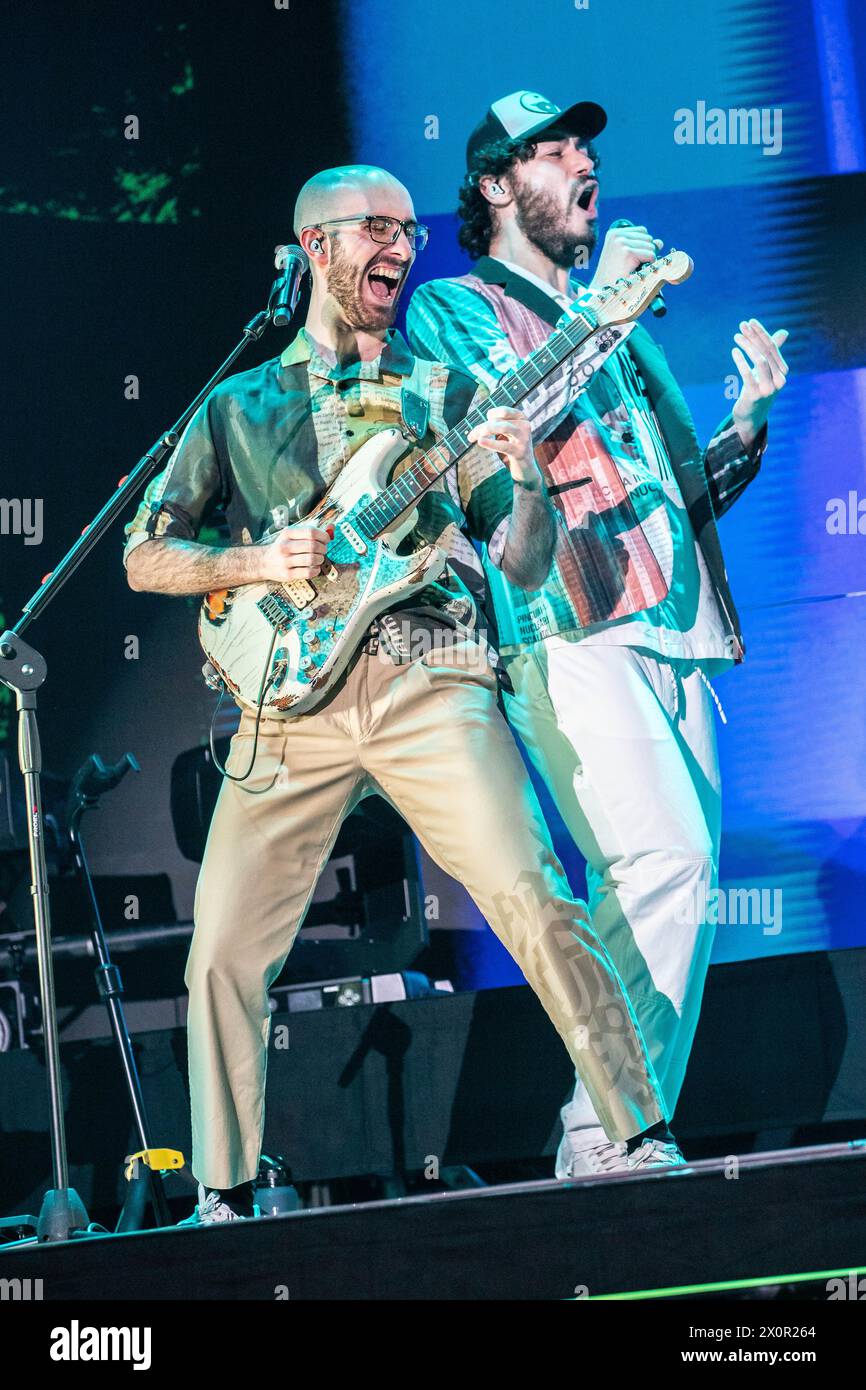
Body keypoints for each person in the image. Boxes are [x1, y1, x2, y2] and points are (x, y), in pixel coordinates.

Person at [124, 163, 673, 1224]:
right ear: (316, 250)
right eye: (374, 229)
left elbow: (515, 561)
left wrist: (525, 483)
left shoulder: (446, 392)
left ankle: (639, 1134)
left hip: (429, 672)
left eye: (408, 230)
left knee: (533, 896)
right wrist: (255, 563)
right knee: (223, 954)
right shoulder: (238, 403)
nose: (401, 247)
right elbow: (148, 555)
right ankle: (223, 1199)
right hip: (287, 701)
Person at [407, 92, 789, 1177]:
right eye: (556, 149)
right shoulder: (454, 304)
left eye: (588, 148)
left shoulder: (605, 319)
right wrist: (613, 306)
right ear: (493, 186)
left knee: (678, 872)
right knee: (655, 857)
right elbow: (507, 423)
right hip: (562, 623)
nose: (586, 164)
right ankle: (603, 1129)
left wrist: (743, 427)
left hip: (667, 626)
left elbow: (671, 491)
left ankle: (614, 1131)